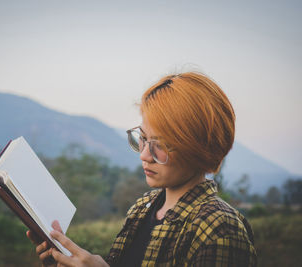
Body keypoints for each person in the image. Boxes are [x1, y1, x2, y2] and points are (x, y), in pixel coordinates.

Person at [27, 72, 257, 266]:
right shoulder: (143, 208)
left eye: (161, 145)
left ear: (198, 148)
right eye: (143, 139)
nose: (145, 155)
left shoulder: (220, 228)